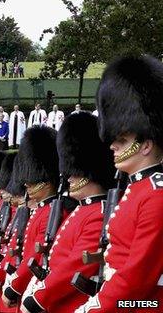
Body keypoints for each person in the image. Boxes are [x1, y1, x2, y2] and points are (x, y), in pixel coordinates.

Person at [75, 55, 163, 312]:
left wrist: (95, 308)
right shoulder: (136, 189)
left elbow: (136, 281)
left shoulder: (156, 196)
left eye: (122, 140)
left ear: (145, 145)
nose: (112, 145)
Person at [21, 112, 114, 313]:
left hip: (72, 303)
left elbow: (78, 264)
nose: (67, 176)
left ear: (87, 170)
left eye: (73, 170)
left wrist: (40, 296)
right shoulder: (82, 210)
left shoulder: (98, 213)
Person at [1, 126, 63, 310]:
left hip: (38, 288)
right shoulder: (42, 210)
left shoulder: (52, 211)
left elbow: (35, 256)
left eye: (32, 181)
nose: (26, 184)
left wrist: (16, 286)